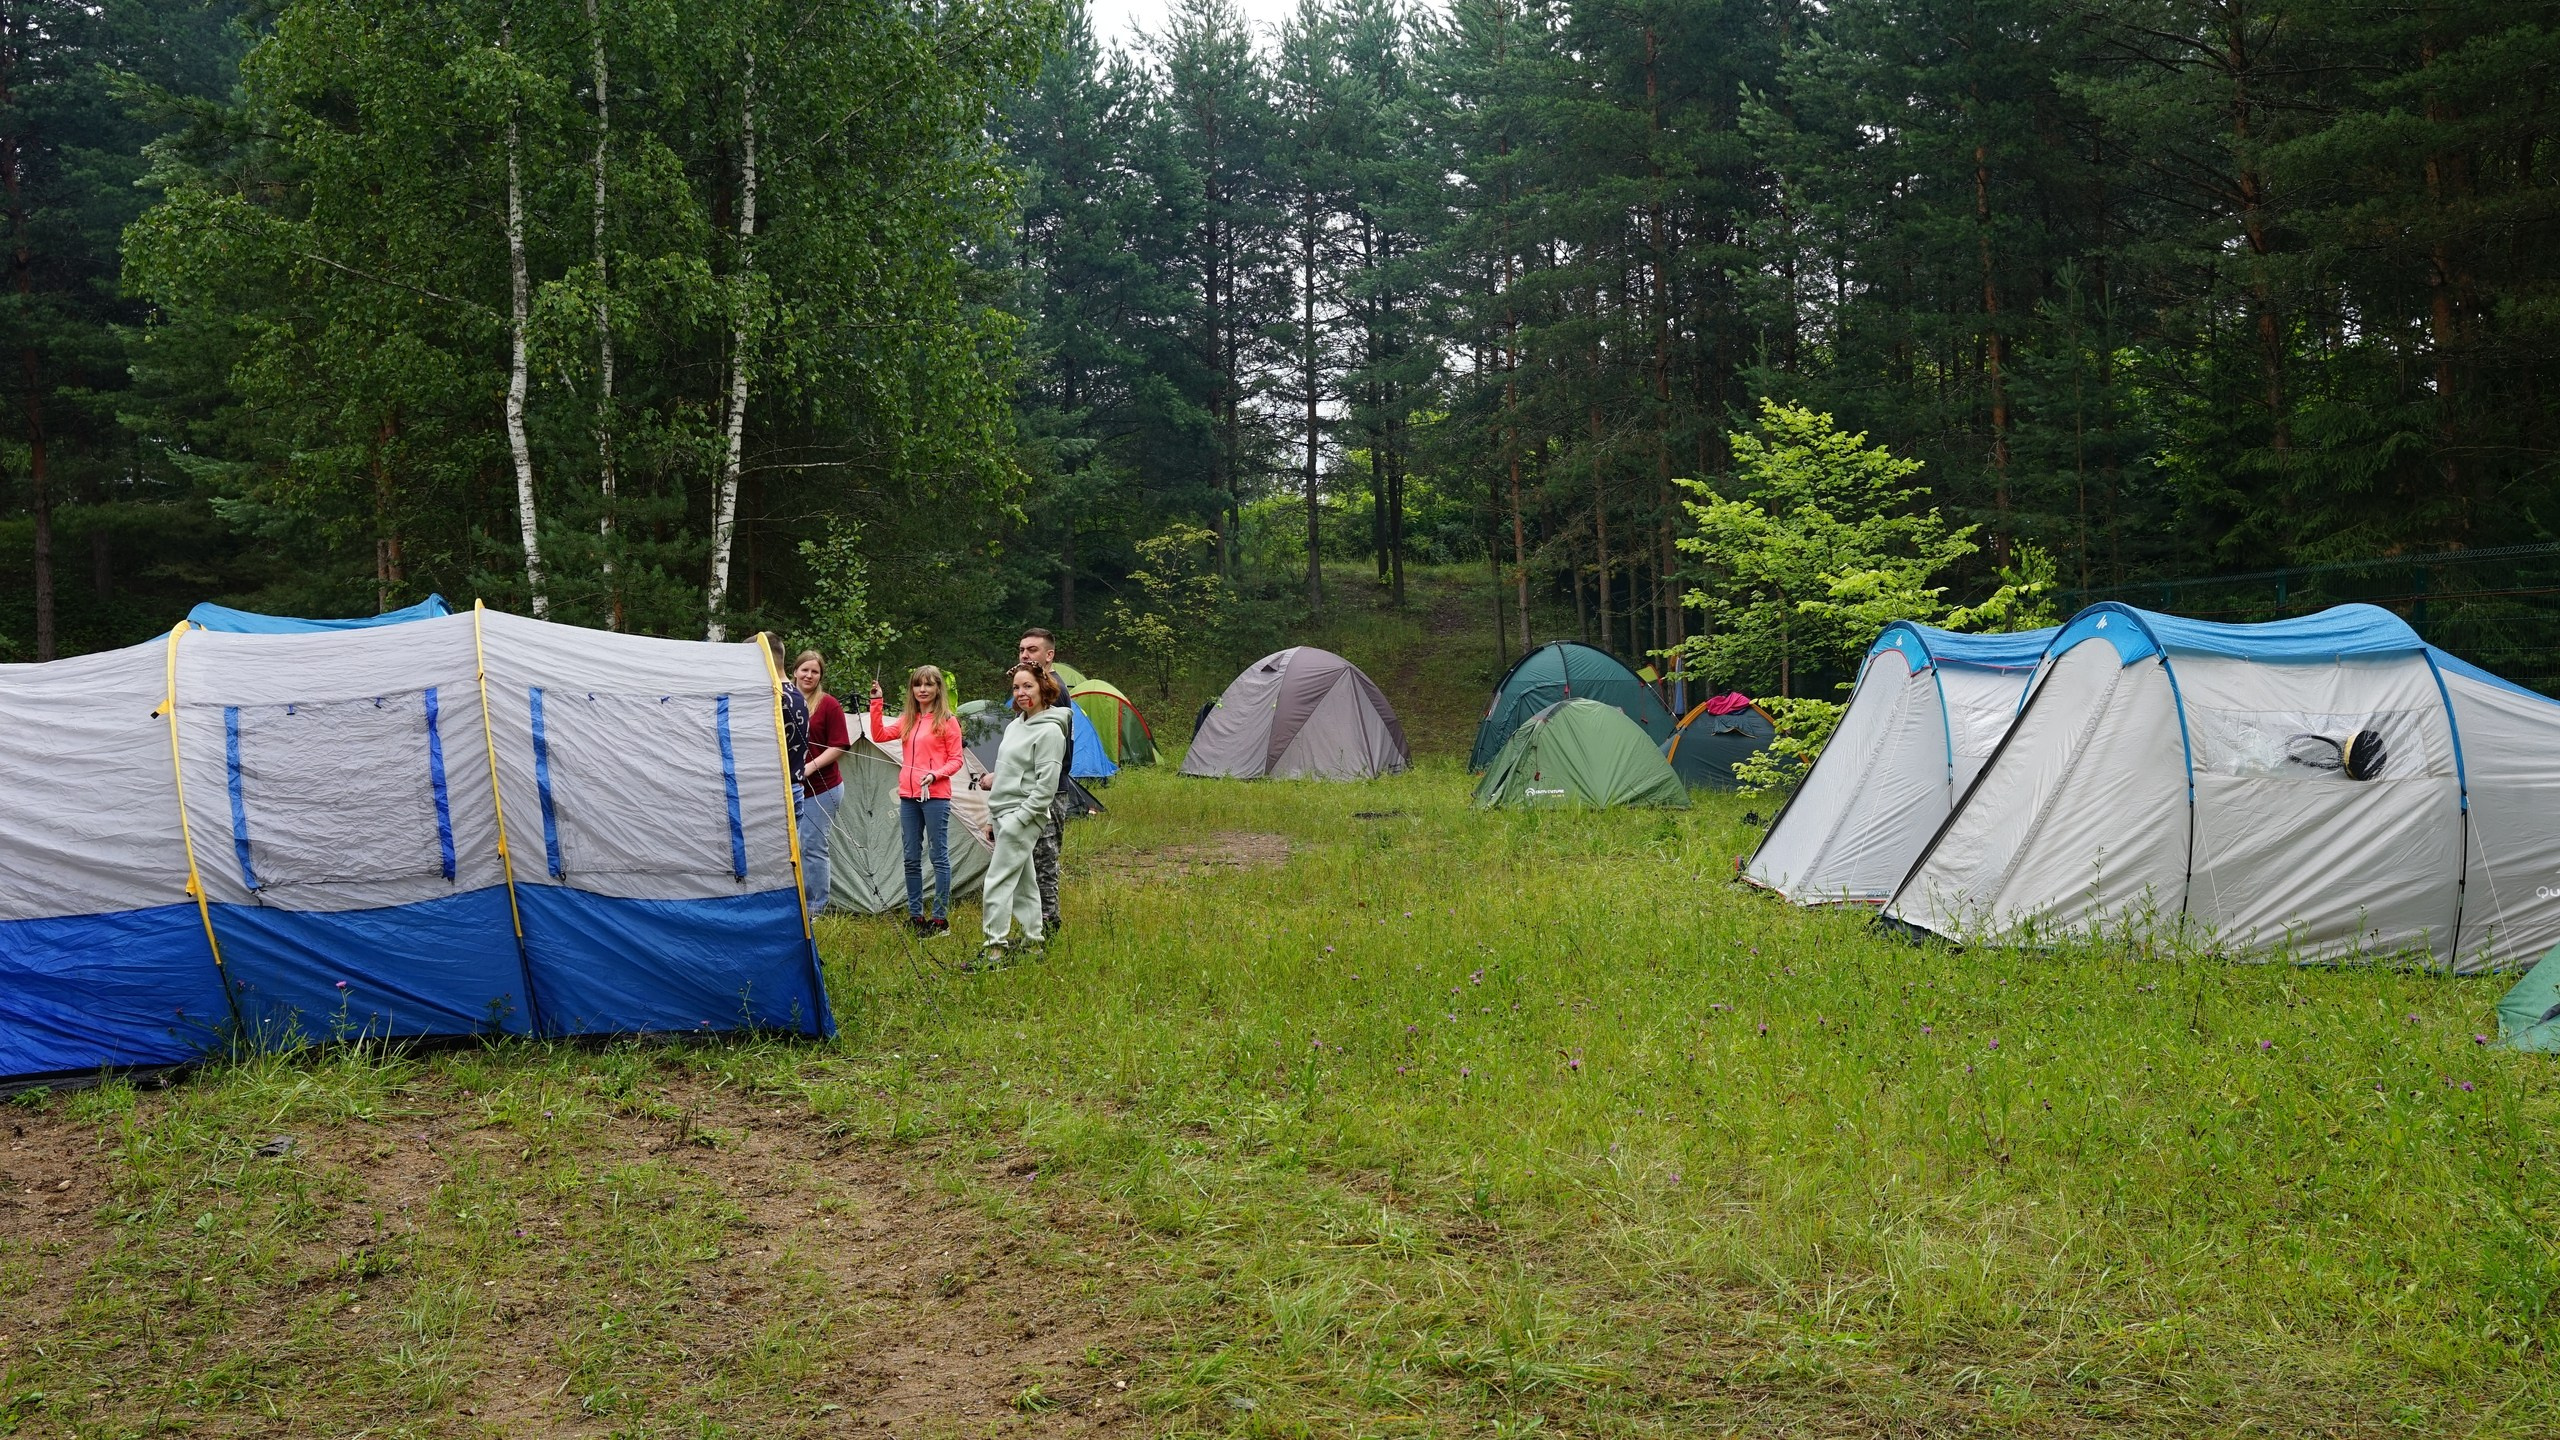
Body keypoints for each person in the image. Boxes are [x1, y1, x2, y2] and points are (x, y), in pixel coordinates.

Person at [974, 662, 1071, 967]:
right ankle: (1033, 945)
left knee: (997, 882)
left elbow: (1046, 787)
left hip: (1023, 816)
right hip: (1003, 811)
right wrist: (993, 817)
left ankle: (994, 950)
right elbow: (1002, 774)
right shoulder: (1016, 725)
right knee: (1025, 884)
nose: (1021, 693)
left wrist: (1020, 819)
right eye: (1016, 687)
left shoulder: (1052, 731)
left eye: (1027, 686)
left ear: (1044, 688)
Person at [869, 665, 966, 935]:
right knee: (911, 857)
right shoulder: (907, 720)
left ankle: (939, 919)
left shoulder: (947, 720)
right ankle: (916, 916)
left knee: (938, 856)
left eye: (928, 685)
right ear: (912, 689)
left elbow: (956, 759)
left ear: (938, 689)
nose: (922, 690)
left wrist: (936, 774)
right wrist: (876, 702)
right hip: (908, 796)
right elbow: (878, 736)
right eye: (917, 685)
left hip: (935, 795)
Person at [1015, 628, 1070, 933]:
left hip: (1049, 789)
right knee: (1032, 861)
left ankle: (1047, 927)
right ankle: (1034, 924)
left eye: (1032, 650)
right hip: (1030, 787)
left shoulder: (1054, 691)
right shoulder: (1033, 688)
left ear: (1049, 656)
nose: (1025, 655)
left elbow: (1053, 751)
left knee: (1044, 861)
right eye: (1022, 649)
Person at [794, 651, 849, 913]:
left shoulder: (828, 705)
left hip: (823, 788)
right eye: (805, 670)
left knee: (813, 846)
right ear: (794, 671)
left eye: (814, 672)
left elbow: (839, 746)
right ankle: (797, 902)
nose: (809, 675)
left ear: (820, 677)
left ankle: (816, 907)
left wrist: (808, 768)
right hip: (790, 789)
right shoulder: (784, 701)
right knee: (794, 847)